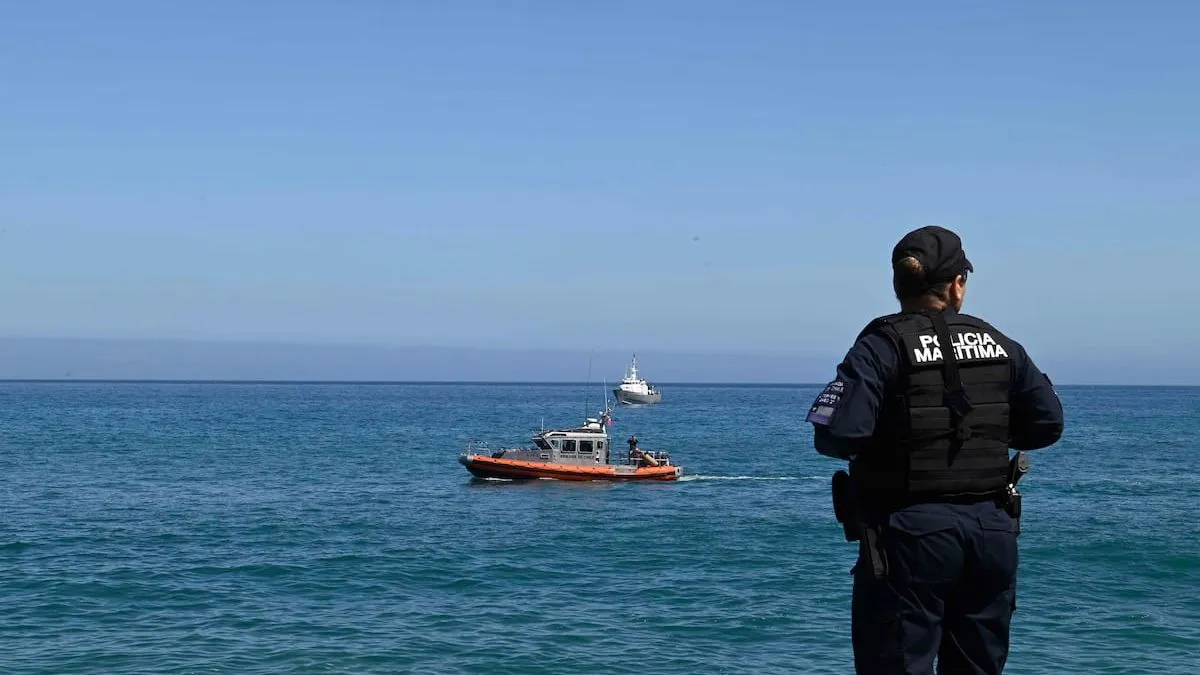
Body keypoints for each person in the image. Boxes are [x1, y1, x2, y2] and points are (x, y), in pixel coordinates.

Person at [805, 225, 1064, 675]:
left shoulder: (880, 346)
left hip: (909, 534)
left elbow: (838, 435)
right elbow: (1047, 425)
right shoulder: (1000, 343)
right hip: (991, 533)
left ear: (898, 285)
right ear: (957, 284)